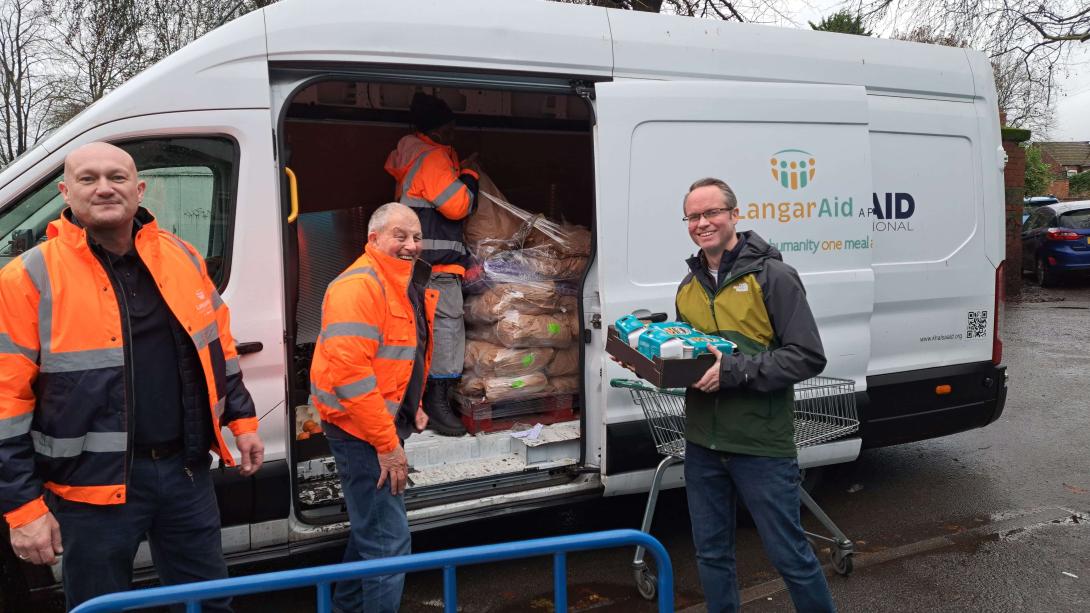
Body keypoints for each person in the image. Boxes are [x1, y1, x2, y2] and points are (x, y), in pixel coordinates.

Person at [0, 142, 264, 611]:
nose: (104, 188)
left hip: (186, 472)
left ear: (140, 189)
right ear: (65, 191)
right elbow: (5, 403)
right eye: (88, 179)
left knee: (209, 602)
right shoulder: (28, 277)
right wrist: (22, 509)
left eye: (117, 177)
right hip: (90, 489)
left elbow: (217, 345)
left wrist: (242, 423)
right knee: (102, 608)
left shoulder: (181, 255)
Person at [675, 178, 834, 613]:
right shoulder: (688, 287)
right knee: (711, 555)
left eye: (712, 213)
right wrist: (657, 360)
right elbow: (692, 356)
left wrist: (731, 370)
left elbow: (807, 356)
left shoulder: (774, 276)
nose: (703, 223)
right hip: (702, 443)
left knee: (790, 557)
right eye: (694, 216)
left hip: (760, 443)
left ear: (734, 215)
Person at [309, 202, 436, 613]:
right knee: (390, 543)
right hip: (361, 430)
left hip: (380, 422)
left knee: (370, 532)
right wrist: (386, 444)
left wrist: (411, 406)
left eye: (416, 237)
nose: (411, 245)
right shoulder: (358, 287)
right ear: (374, 238)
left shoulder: (402, 282)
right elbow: (351, 377)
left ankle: (344, 608)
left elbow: (404, 355)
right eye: (400, 236)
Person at [384, 92, 479, 436]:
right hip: (436, 269)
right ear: (438, 129)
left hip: (419, 267)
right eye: (451, 128)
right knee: (446, 332)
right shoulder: (434, 158)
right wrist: (469, 175)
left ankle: (419, 404)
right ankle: (437, 406)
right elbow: (457, 206)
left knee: (422, 335)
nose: (454, 134)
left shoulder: (410, 156)